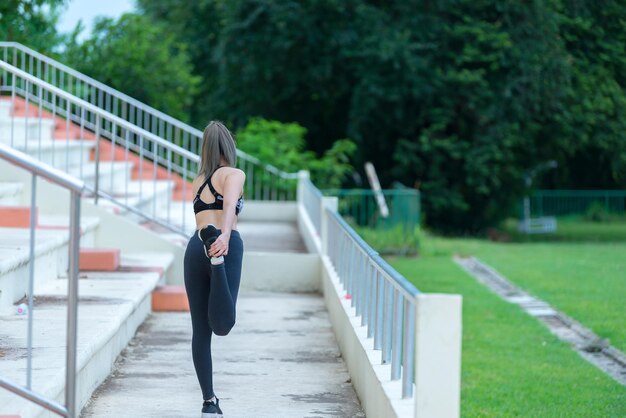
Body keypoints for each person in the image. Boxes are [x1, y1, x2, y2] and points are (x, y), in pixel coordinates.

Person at [183, 121, 245, 418]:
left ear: (205, 147)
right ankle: (217, 263)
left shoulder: (198, 180)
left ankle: (209, 401)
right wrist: (225, 237)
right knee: (223, 324)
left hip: (195, 247)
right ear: (229, 146)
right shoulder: (234, 174)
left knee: (201, 331)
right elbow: (230, 204)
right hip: (222, 245)